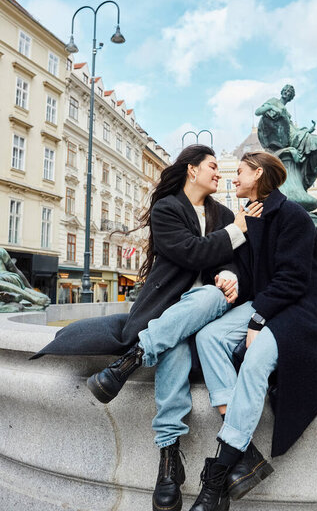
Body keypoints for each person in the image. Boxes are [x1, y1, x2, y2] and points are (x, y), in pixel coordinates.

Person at [32, 144, 262, 511]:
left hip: (211, 311)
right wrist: (236, 231)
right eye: (213, 166)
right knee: (174, 346)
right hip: (168, 312)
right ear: (191, 169)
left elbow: (233, 262)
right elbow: (192, 253)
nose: (219, 173)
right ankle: (169, 457)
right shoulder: (167, 209)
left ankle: (133, 362)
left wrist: (230, 276)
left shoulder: (221, 213)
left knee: (206, 299)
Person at [190, 151, 317, 510]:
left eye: (240, 172)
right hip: (265, 302)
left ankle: (219, 473)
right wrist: (230, 277)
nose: (234, 179)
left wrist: (257, 321)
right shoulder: (248, 219)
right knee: (208, 337)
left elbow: (294, 281)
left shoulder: (293, 215)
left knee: (257, 356)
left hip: (301, 308)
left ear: (258, 174)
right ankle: (245, 453)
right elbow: (249, 275)